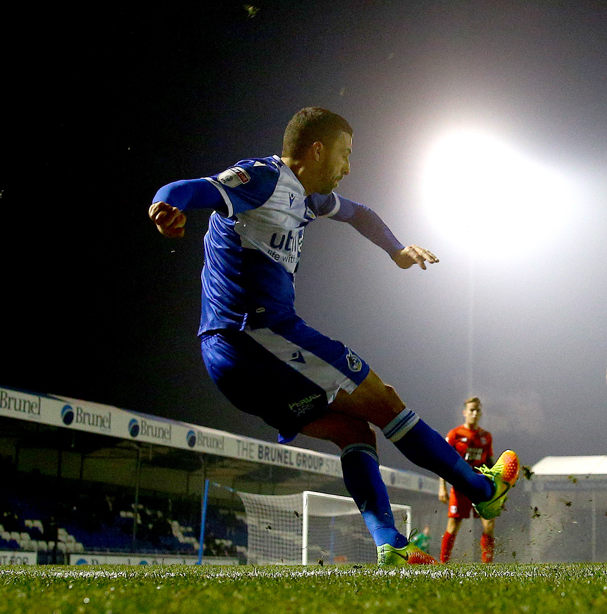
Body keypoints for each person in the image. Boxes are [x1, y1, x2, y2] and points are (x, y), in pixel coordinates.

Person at [148, 107, 520, 566]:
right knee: (385, 400)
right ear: (317, 150)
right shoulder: (263, 178)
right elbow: (191, 188)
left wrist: (397, 249)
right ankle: (483, 490)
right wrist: (166, 207)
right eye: (344, 154)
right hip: (257, 336)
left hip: (231, 359)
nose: (348, 167)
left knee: (353, 430)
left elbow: (359, 214)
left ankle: (391, 545)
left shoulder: (309, 199)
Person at [439, 397, 497, 563]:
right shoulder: (455, 434)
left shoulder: (486, 437)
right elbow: (442, 462)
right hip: (461, 486)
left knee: (489, 524)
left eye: (477, 410)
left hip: (481, 486)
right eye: (471, 410)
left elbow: (490, 463)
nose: (474, 413)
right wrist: (442, 487)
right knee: (454, 524)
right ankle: (444, 563)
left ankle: (487, 566)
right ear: (464, 412)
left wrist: (496, 485)